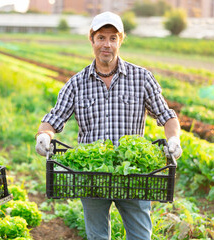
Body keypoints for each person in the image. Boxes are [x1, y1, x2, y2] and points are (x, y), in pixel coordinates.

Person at [35, 11, 182, 240]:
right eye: (101, 37)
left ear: (120, 41)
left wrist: (174, 139)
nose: (107, 44)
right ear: (91, 40)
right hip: (93, 177)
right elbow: (54, 118)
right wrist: (44, 135)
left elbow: (167, 116)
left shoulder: (141, 78)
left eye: (113, 38)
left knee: (141, 236)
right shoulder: (76, 83)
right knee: (97, 237)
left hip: (133, 175)